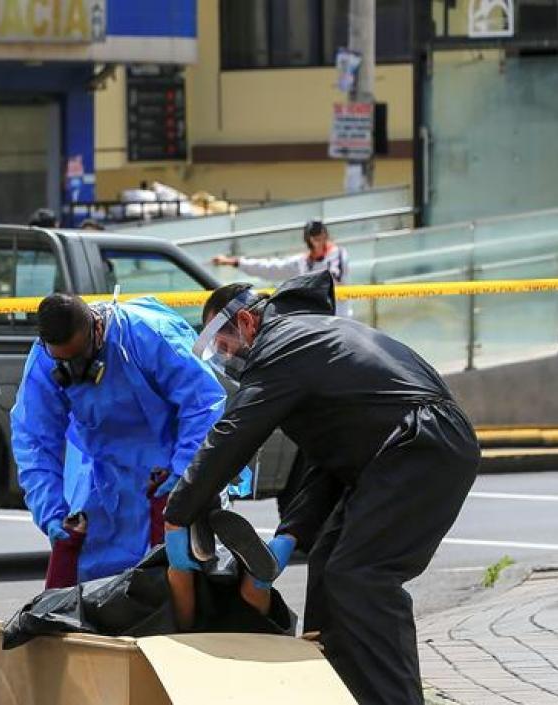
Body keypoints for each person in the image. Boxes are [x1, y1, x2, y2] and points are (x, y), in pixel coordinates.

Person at [161, 271, 480, 705]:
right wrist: (291, 534)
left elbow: (235, 433)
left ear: (248, 324)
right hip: (403, 448)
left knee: (362, 577)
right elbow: (327, 458)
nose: (227, 358)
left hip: (422, 445)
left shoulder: (282, 345)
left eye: (225, 345)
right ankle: (339, 692)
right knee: (330, 567)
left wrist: (178, 513)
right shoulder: (307, 339)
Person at [10, 292, 227, 582]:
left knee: (179, 577)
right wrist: (50, 510)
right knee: (93, 582)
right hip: (104, 480)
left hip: (166, 476)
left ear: (97, 329)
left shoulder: (148, 334)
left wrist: (185, 473)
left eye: (80, 358)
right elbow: (33, 438)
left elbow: (202, 404)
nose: (73, 370)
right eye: (63, 361)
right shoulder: (43, 360)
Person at [212, 220, 350, 315]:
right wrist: (234, 262)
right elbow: (269, 268)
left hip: (339, 319)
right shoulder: (302, 262)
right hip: (317, 322)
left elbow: (334, 279)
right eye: (314, 237)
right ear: (308, 240)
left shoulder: (338, 254)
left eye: (320, 236)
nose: (317, 241)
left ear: (326, 235)